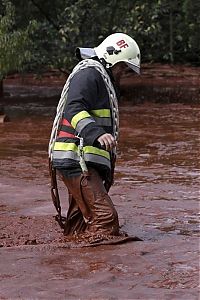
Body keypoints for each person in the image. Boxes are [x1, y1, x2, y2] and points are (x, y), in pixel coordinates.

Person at [49, 32, 141, 246]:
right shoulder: (90, 74)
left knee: (80, 224)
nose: (122, 74)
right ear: (111, 58)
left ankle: (71, 262)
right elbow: (73, 108)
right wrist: (96, 133)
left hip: (81, 161)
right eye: (122, 68)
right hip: (75, 159)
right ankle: (94, 272)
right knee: (106, 220)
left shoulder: (99, 77)